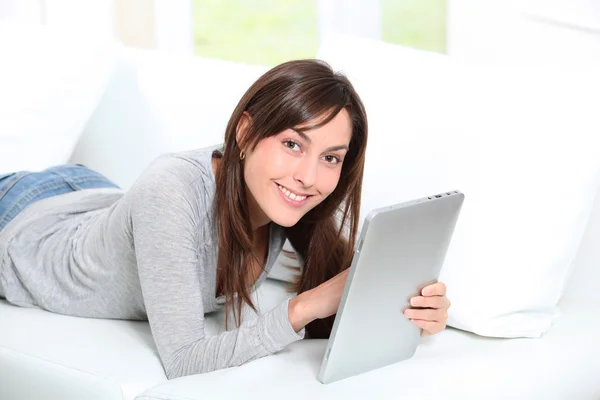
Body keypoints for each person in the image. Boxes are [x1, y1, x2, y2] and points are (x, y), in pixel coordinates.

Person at [0, 59, 451, 379]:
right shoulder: (171, 189)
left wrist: (413, 313)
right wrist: (305, 305)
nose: (309, 176)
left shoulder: (287, 202)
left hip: (91, 192)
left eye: (330, 157)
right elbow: (184, 360)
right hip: (20, 220)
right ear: (245, 132)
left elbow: (339, 297)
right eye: (293, 144)